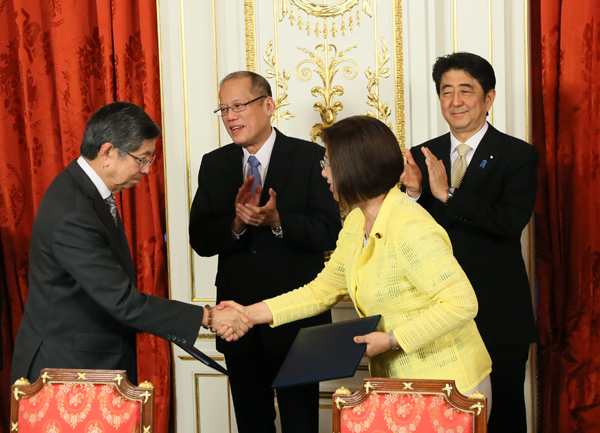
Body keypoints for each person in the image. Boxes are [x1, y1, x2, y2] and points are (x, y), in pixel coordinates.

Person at [218, 115, 493, 400]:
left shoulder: (410, 226)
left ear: (355, 167)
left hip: (449, 386)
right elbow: (321, 291)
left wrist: (392, 340)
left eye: (328, 164)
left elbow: (461, 302)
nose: (324, 173)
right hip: (398, 386)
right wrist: (248, 314)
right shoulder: (355, 221)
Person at [11, 101, 251, 385]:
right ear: (108, 153)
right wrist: (207, 317)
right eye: (142, 158)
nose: (147, 170)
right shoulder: (74, 214)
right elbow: (123, 302)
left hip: (87, 362)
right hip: (66, 371)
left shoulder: (82, 190)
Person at [189, 71, 341, 433]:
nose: (230, 117)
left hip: (298, 326)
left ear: (269, 105)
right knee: (252, 425)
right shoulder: (216, 163)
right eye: (223, 109)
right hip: (238, 323)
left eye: (238, 106)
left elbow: (329, 233)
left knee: (301, 424)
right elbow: (200, 238)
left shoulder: (310, 158)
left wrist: (278, 221)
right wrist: (237, 226)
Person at [400, 52, 539, 433]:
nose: (455, 101)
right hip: (434, 314)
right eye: (447, 92)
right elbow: (407, 236)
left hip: (497, 312)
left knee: (504, 413)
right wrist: (412, 195)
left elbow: (510, 223)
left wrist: (449, 194)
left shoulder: (518, 155)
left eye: (466, 91)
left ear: (489, 98)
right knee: (442, 417)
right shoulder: (420, 155)